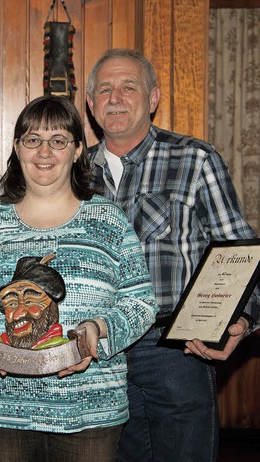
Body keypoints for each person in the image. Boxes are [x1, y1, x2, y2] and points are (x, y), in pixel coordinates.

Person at [0, 95, 158, 462]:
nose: (44, 152)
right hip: (2, 410)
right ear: (17, 147)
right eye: (32, 140)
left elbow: (141, 302)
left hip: (89, 411)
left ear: (77, 150)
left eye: (58, 140)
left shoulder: (107, 220)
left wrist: (97, 331)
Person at [85, 48, 260, 462]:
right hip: (97, 352)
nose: (115, 97)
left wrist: (244, 317)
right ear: (90, 105)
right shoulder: (73, 171)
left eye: (129, 87)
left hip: (176, 351)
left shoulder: (195, 159)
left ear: (153, 98)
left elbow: (238, 249)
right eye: (104, 90)